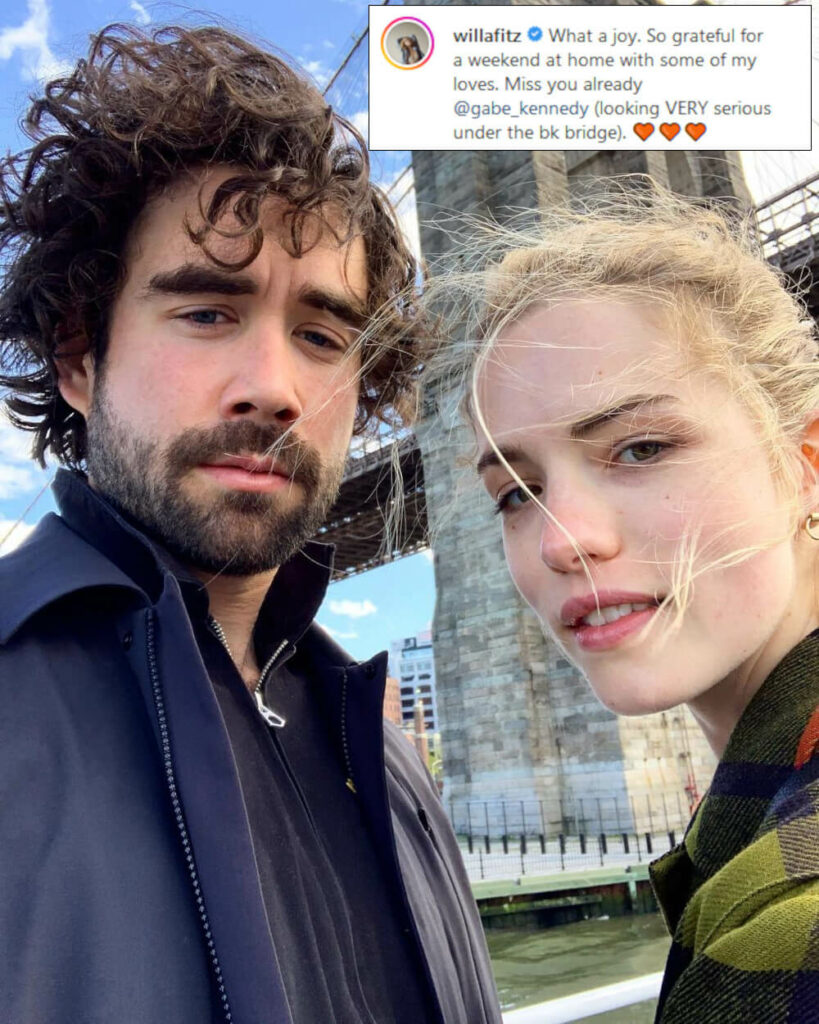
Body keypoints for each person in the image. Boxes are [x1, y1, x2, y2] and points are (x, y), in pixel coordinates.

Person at [0, 23, 500, 1024]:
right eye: (207, 313)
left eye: (320, 335)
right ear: (78, 358)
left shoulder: (385, 748)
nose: (274, 388)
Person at [428, 185, 819, 1022]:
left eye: (640, 448)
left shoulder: (788, 932)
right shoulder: (758, 826)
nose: (560, 541)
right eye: (515, 492)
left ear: (805, 465)